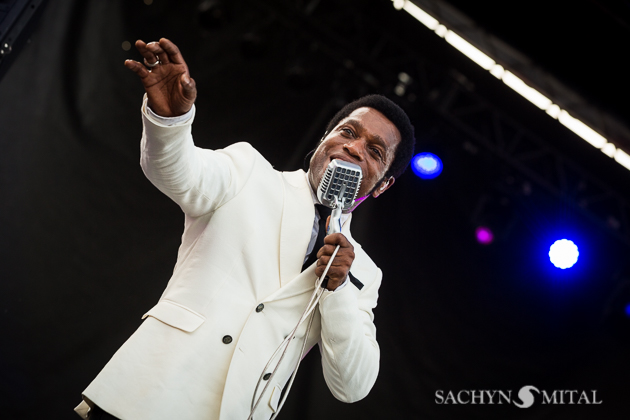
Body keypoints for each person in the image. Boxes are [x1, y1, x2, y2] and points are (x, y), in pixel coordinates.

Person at [75, 38, 415, 420]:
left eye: (375, 151)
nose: (354, 148)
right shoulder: (249, 171)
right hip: (147, 394)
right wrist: (170, 123)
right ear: (325, 139)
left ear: (383, 185)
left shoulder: (363, 275)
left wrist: (336, 291)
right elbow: (178, 173)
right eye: (348, 133)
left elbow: (353, 386)